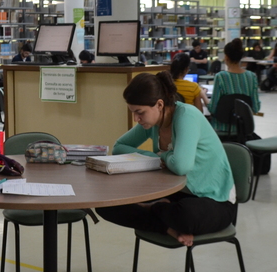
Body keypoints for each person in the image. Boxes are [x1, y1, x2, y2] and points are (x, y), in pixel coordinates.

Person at [97, 72, 236, 247]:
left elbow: (181, 166)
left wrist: (163, 155)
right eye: (133, 112)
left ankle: (155, 209)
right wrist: (155, 157)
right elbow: (119, 147)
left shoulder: (186, 115)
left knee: (185, 216)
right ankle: (166, 227)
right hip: (175, 195)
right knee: (107, 204)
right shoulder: (153, 122)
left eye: (140, 112)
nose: (136, 119)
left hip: (215, 201)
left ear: (159, 104)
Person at [208, 38, 261, 133]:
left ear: (226, 57)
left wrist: (204, 97)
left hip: (221, 129)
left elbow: (213, 109)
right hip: (243, 129)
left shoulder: (220, 77)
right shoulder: (252, 77)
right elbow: (256, 108)